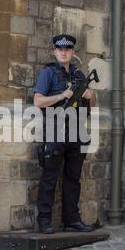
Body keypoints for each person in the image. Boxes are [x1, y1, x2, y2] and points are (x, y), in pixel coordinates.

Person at [33, 34, 96, 234]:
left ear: (72, 52)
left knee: (73, 178)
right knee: (50, 177)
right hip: (55, 127)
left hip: (77, 129)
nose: (63, 52)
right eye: (60, 49)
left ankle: (71, 219)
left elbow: (92, 105)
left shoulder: (79, 75)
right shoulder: (49, 73)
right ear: (55, 51)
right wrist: (62, 95)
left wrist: (91, 95)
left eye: (67, 49)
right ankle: (44, 221)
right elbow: (38, 101)